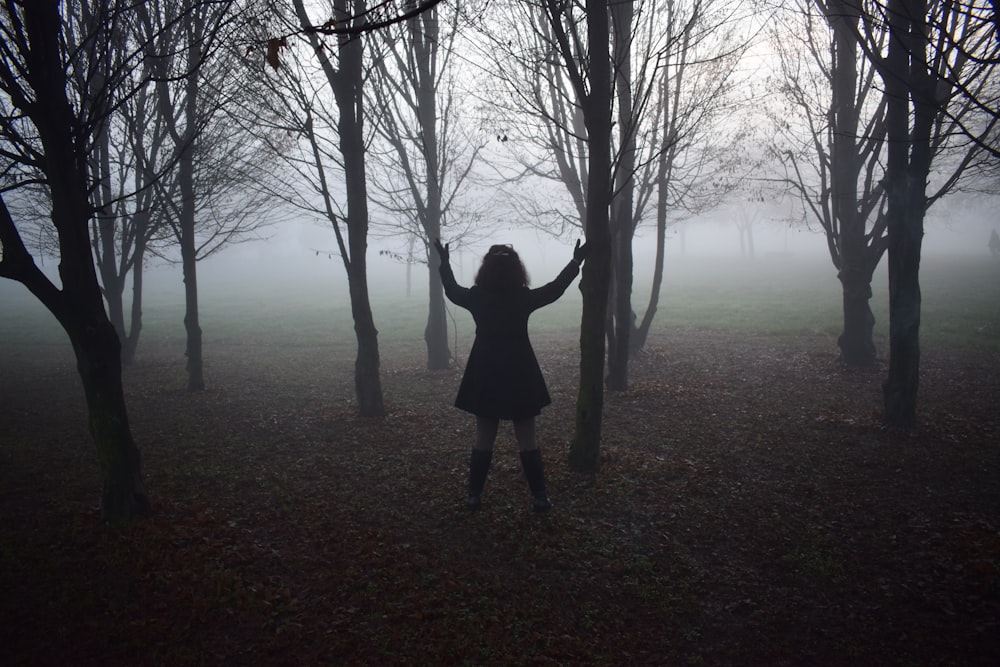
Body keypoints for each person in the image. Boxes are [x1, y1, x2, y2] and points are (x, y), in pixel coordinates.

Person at [434, 238, 588, 512]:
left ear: (486, 270)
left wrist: (445, 263)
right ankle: (540, 497)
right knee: (527, 438)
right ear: (517, 270)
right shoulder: (522, 298)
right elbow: (554, 290)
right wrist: (576, 262)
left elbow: (451, 290)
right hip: (520, 371)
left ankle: (474, 496)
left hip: (485, 371)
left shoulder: (477, 297)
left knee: (484, 438)